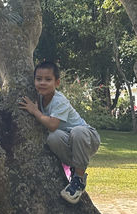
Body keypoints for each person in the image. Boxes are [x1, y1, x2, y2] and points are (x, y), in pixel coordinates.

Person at [18, 61, 101, 204]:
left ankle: (79, 180)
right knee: (53, 138)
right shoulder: (39, 98)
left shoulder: (59, 101)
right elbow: (53, 131)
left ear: (57, 83)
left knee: (77, 132)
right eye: (39, 79)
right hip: (68, 142)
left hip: (87, 138)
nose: (42, 83)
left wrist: (34, 111)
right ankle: (75, 168)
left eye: (48, 79)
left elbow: (52, 124)